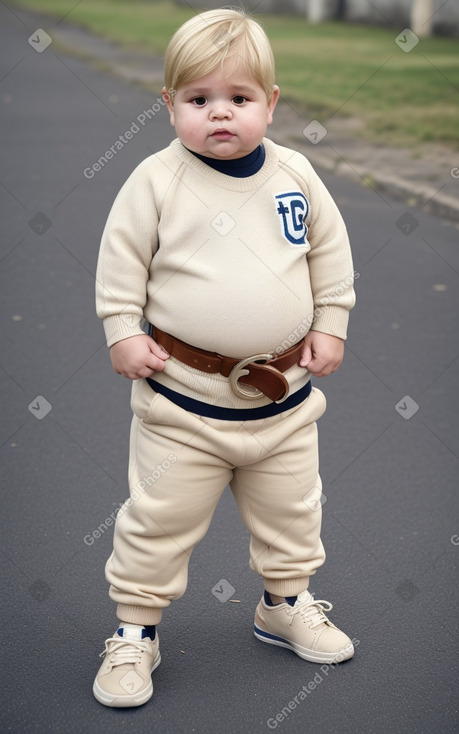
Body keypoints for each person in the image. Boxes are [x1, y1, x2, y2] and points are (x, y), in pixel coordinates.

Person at [93, 7, 356, 708]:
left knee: (294, 514)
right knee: (157, 522)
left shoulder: (295, 174)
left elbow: (327, 254)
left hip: (284, 399)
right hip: (183, 404)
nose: (219, 115)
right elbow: (121, 261)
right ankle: (135, 633)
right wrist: (122, 327)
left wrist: (331, 322)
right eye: (198, 100)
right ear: (169, 104)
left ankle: (284, 602)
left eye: (238, 99)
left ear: (269, 104)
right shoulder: (156, 181)